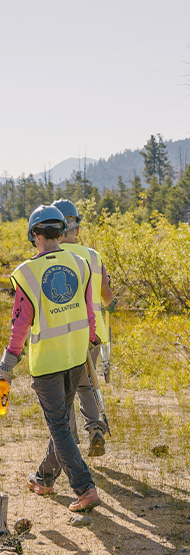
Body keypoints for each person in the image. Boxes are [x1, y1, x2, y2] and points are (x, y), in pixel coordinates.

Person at [0, 205, 101, 512]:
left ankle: (84, 488)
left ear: (35, 235)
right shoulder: (81, 263)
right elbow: (88, 309)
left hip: (47, 362)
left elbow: (21, 323)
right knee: (61, 423)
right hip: (74, 355)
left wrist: (7, 364)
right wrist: (92, 337)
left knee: (59, 426)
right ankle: (44, 477)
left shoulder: (28, 273)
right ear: (61, 230)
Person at [52, 198, 114, 456]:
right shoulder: (94, 256)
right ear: (77, 228)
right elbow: (107, 297)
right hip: (94, 332)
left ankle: (70, 440)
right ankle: (95, 428)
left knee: (65, 387)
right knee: (86, 382)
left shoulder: (50, 257)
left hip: (64, 331)